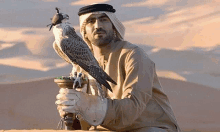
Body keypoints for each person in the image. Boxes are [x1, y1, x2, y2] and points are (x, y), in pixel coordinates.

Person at [55, 4, 181, 132]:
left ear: (114, 26)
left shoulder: (133, 55)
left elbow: (133, 107)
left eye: (104, 19)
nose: (98, 26)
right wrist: (72, 110)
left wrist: (90, 105)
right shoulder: (81, 65)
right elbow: (84, 122)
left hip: (148, 126)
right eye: (91, 21)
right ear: (84, 31)